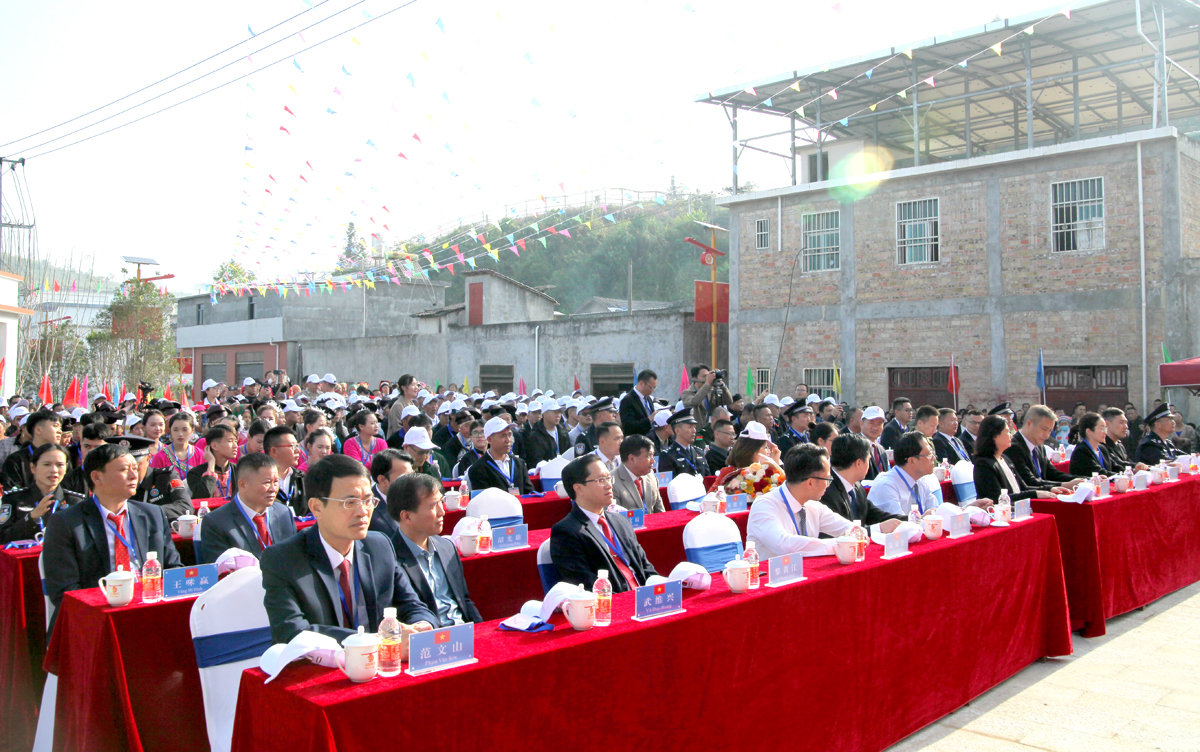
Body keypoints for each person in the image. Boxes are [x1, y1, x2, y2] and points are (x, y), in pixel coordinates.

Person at [260, 454, 436, 644]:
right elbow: (292, 632)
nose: (362, 512)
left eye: (368, 501)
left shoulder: (379, 546)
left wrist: (421, 625)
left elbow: (412, 605)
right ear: (317, 507)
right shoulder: (283, 559)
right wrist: (375, 641)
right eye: (350, 502)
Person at [42, 443, 182, 634]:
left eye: (135, 468)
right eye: (124, 470)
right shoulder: (66, 522)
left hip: (150, 609)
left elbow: (173, 568)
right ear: (97, 477)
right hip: (95, 619)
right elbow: (65, 590)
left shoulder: (152, 514)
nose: (134, 475)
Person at [748, 444, 895, 560]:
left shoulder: (812, 505)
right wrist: (840, 544)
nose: (829, 484)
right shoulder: (765, 505)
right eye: (828, 479)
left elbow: (849, 528)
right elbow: (785, 545)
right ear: (810, 483)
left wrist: (858, 533)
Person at [383, 473, 482, 625]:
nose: (442, 512)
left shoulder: (446, 547)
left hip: (463, 632)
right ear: (407, 517)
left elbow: (464, 600)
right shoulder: (389, 558)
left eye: (441, 502)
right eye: (432, 506)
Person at [550, 454, 658, 592]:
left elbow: (645, 568)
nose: (609, 485)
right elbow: (586, 586)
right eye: (601, 480)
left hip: (643, 600)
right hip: (612, 605)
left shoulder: (621, 521)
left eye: (608, 478)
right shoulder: (567, 532)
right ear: (579, 489)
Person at [200, 452, 297, 563]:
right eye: (266, 482)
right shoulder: (216, 522)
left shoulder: (283, 512)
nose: (273, 489)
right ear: (243, 485)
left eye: (275, 482)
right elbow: (222, 572)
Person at [0, 444, 86, 544]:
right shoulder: (14, 499)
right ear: (33, 467)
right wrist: (31, 518)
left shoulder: (76, 501)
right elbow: (2, 538)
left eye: (60, 465)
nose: (54, 470)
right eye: (46, 464)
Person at [974, 415, 1066, 502]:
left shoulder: (1005, 459)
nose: (1011, 435)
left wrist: (1049, 489)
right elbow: (997, 498)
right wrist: (1035, 494)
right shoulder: (984, 465)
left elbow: (1023, 487)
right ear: (994, 436)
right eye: (1007, 432)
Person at [820, 435, 904, 528]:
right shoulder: (825, 491)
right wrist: (878, 529)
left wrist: (909, 520)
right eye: (868, 459)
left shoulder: (856, 485)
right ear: (859, 463)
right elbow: (838, 533)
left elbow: (873, 514)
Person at [1005, 405, 1083, 490]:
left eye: (1050, 431)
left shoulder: (1039, 446)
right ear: (1029, 424)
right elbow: (1029, 481)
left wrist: (1085, 480)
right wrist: (1064, 485)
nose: (1047, 435)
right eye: (1044, 429)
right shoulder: (1013, 447)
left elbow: (1052, 473)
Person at [865, 432, 940, 516]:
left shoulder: (920, 480)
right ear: (912, 461)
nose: (934, 458)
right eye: (929, 454)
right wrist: (924, 520)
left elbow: (934, 510)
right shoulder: (886, 485)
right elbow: (897, 525)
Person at [466, 417, 534, 495]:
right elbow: (485, 501)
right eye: (503, 435)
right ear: (490, 439)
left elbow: (530, 492)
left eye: (510, 435)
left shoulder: (519, 463)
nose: (508, 440)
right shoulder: (478, 469)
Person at [1, 410, 62, 492]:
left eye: (60, 427)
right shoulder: (16, 460)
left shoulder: (62, 457)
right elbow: (11, 495)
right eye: (55, 426)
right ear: (38, 430)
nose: (60, 431)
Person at [366, 449, 414, 539]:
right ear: (383, 480)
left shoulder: (417, 498)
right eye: (405, 477)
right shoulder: (367, 509)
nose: (412, 481)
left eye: (412, 475)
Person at [611, 434, 664, 513]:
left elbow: (661, 514)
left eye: (653, 455)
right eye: (648, 456)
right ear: (631, 459)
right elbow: (614, 520)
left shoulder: (652, 478)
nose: (653, 461)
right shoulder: (611, 482)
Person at [186, 424, 239, 499]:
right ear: (214, 446)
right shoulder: (195, 473)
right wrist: (211, 464)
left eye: (236, 441)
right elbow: (203, 495)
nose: (235, 446)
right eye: (230, 441)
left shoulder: (239, 470)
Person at [264, 425, 306, 514]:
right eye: (292, 446)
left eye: (297, 446)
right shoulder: (259, 480)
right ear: (274, 451)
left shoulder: (302, 478)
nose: (298, 450)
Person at [658, 409, 710, 478]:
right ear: (677, 431)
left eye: (694, 427)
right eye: (690, 427)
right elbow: (668, 484)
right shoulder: (668, 455)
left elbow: (708, 479)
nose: (694, 431)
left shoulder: (699, 452)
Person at [523, 398, 572, 467]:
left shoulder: (563, 432)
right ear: (545, 414)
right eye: (554, 412)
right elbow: (535, 461)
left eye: (559, 412)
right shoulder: (535, 436)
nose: (558, 415)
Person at [1068, 412, 1120, 477]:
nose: (1105, 432)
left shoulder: (1102, 448)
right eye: (1102, 428)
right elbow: (1098, 472)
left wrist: (1129, 471)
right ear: (1089, 431)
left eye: (1105, 428)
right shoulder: (1081, 451)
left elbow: (1115, 466)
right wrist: (1120, 476)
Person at [1100, 407, 1147, 473]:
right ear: (1107, 424)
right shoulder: (1102, 445)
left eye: (1126, 423)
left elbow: (1127, 461)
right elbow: (1119, 463)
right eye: (1121, 423)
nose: (1126, 427)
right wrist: (1139, 466)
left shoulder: (1120, 444)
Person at [618, 369, 658, 437]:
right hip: (636, 442)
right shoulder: (628, 400)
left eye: (655, 387)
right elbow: (628, 426)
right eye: (651, 388)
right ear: (641, 383)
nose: (653, 390)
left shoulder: (648, 398)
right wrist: (649, 419)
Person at [857, 406, 891, 481]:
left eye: (879, 424)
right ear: (861, 424)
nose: (875, 428)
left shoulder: (881, 449)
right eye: (871, 423)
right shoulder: (854, 445)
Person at [386, 374, 419, 440]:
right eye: (413, 385)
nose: (416, 388)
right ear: (403, 387)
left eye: (416, 385)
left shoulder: (412, 404)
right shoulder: (398, 406)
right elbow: (397, 429)